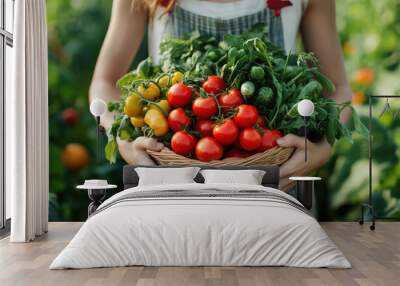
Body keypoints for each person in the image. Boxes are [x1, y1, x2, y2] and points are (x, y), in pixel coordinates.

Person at [89, 0, 351, 191]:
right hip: (173, 178)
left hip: (275, 181)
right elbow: (105, 82)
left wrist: (321, 150)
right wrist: (123, 140)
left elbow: (337, 88)